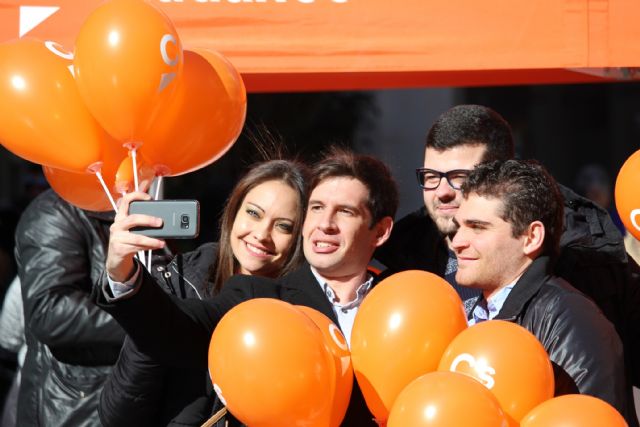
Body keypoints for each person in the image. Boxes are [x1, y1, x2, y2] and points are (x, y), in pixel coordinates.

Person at [95, 148, 398, 426]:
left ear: (381, 231)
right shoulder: (260, 297)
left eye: (345, 212)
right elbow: (175, 327)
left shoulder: (401, 299)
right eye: (317, 208)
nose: (325, 223)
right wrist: (123, 272)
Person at [375, 104, 640, 390]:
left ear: (500, 177)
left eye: (460, 177)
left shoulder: (587, 260)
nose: (442, 192)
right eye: (430, 177)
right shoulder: (404, 260)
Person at [99, 159, 309, 427]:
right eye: (254, 214)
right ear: (233, 212)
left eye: (283, 226)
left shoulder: (303, 309)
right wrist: (146, 318)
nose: (261, 234)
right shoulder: (180, 281)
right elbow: (118, 418)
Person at [450, 159, 637, 426]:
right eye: (459, 226)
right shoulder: (468, 312)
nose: (457, 242)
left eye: (477, 227)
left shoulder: (573, 321)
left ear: (531, 237)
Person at [13, 189, 127, 427]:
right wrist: (149, 320)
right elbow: (49, 311)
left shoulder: (133, 208)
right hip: (75, 407)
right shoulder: (55, 211)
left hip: (126, 397)